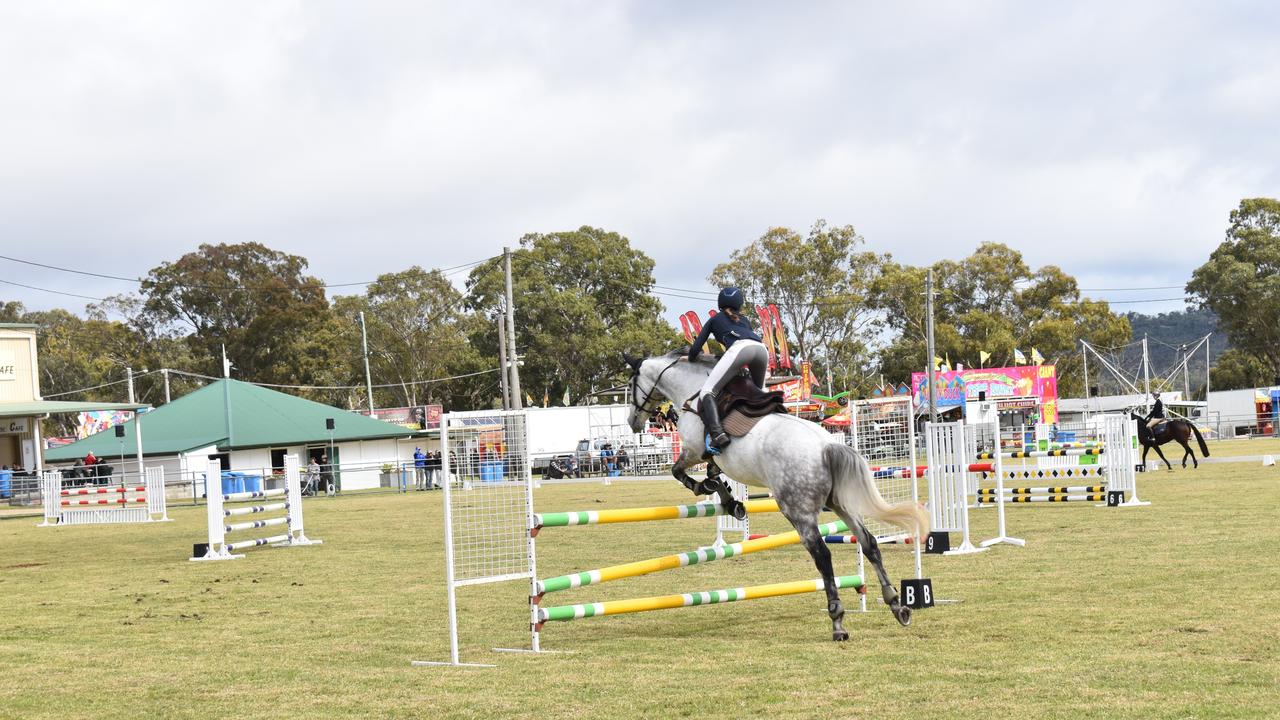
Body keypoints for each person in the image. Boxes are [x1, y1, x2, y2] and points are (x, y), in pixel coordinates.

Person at [687, 287, 768, 454]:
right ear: (739, 304)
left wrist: (690, 357)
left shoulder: (714, 319)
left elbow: (695, 349)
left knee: (707, 392)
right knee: (760, 392)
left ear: (720, 303)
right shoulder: (744, 320)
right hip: (761, 350)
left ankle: (718, 435)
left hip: (740, 350)